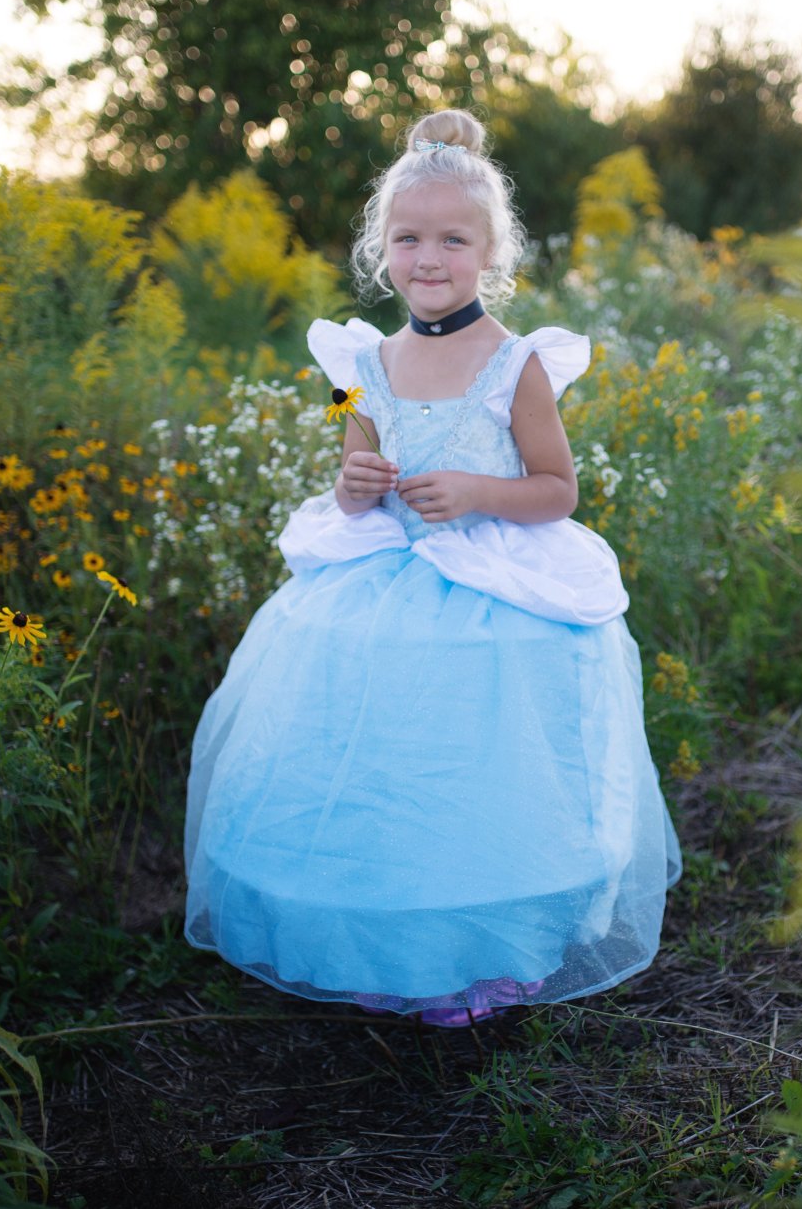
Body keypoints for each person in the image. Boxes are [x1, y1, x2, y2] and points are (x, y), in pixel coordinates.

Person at [183, 109, 681, 1027]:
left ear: (490, 251)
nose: (429, 257)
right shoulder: (357, 364)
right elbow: (351, 472)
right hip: (381, 578)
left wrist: (479, 492)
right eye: (408, 238)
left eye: (454, 239)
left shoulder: (517, 365)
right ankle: (379, 937)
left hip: (493, 589)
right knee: (381, 767)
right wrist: (355, 483)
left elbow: (558, 490)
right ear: (382, 249)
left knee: (472, 772)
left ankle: (483, 944)